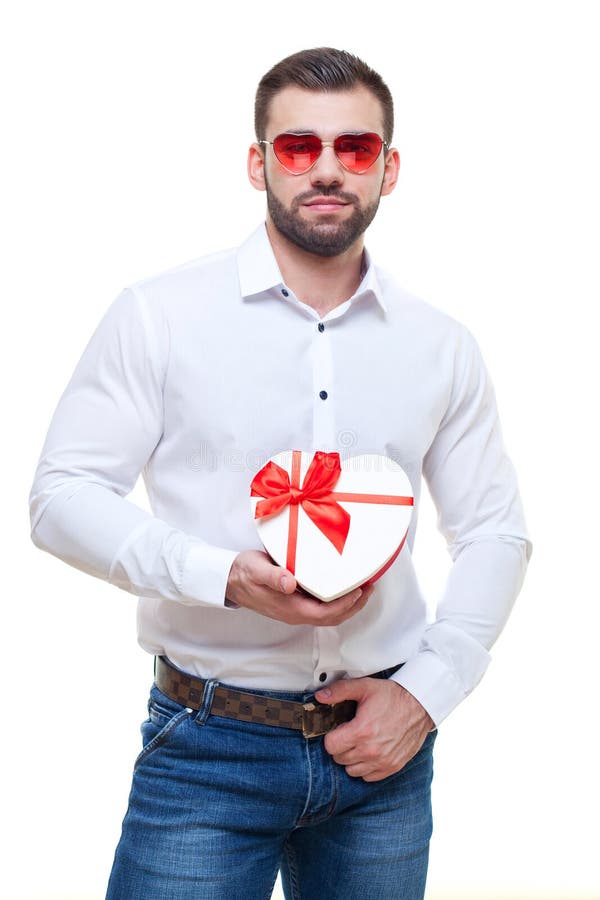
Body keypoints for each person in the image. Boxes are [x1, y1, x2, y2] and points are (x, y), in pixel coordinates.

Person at [29, 47, 531, 900]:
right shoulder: (160, 315)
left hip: (384, 760)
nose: (328, 170)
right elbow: (62, 497)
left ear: (390, 168)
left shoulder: (440, 344)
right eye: (299, 147)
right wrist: (224, 577)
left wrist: (429, 694)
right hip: (207, 748)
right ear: (259, 163)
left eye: (356, 149)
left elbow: (495, 531)